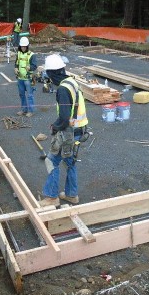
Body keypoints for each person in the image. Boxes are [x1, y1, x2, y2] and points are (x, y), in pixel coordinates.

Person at [39, 54, 89, 207]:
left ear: (52, 73)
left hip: (69, 132)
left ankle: (52, 197)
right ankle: (71, 195)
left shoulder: (62, 89)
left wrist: (55, 127)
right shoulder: (71, 82)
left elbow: (65, 116)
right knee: (70, 162)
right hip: (79, 130)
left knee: (51, 161)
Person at [14, 37, 37, 117]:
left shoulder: (31, 55)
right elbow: (16, 63)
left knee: (30, 95)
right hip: (20, 78)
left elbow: (35, 66)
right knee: (21, 94)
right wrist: (16, 68)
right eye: (22, 46)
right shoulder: (19, 53)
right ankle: (24, 110)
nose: (23, 48)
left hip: (28, 79)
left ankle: (30, 111)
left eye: (24, 46)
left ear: (27, 46)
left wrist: (30, 67)